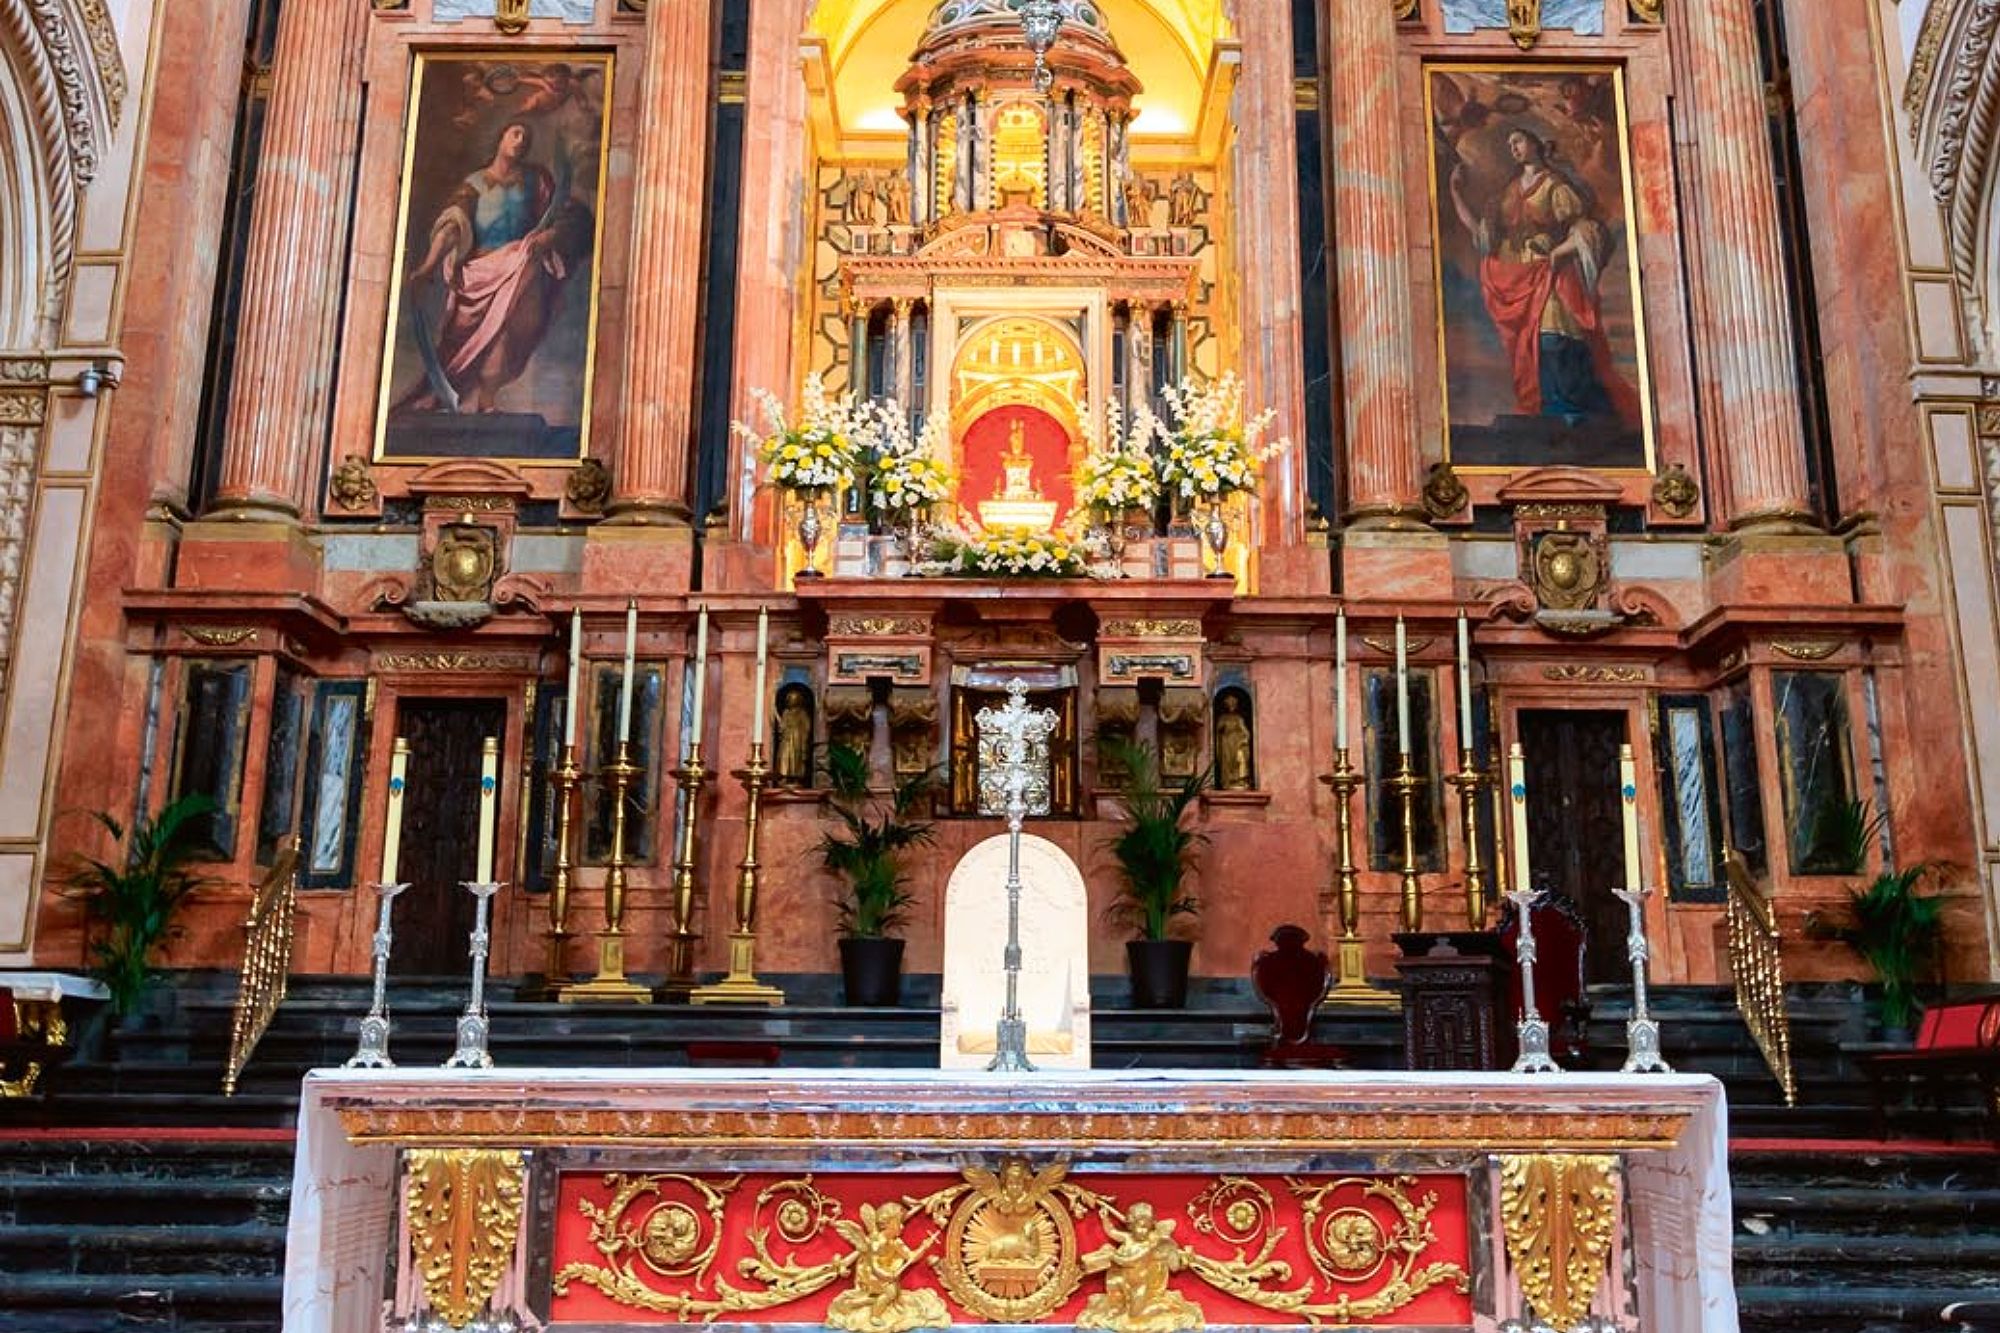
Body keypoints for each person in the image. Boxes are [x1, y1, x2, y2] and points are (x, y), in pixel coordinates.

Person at [1446, 126, 1640, 428]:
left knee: (1553, 333)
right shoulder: (1509, 192)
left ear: (1535, 144)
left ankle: (1565, 409)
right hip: (1516, 275)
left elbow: (1587, 229)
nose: (1513, 147)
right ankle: (1547, 410)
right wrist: (1455, 192)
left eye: (1519, 140)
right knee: (1527, 345)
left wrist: (1558, 253)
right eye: (1510, 143)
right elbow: (1481, 234)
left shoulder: (1554, 186)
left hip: (1549, 274)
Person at [395, 120, 591, 416]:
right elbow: (452, 226)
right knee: (456, 342)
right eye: (515, 133)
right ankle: (445, 397)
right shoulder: (473, 185)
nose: (521, 140)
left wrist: (551, 235)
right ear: (499, 138)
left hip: (520, 265)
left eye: (526, 136)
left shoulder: (536, 180)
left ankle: (486, 400)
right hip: (478, 273)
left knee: (506, 331)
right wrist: (427, 267)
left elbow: (562, 213)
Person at [1079, 1202, 1201, 1333]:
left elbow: (1130, 1261)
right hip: (1124, 1283)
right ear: (1130, 1226)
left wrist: (1114, 1257)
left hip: (1141, 1286)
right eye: (1140, 1226)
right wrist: (1105, 1218)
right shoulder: (1127, 1238)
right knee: (1117, 1307)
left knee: (1134, 1315)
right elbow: (1112, 1232)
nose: (1143, 1231)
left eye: (1147, 1228)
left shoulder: (1149, 1245)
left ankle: (1165, 1308)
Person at [1215, 694, 1252, 791]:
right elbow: (1218, 729)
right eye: (1229, 704)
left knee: (1238, 761)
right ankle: (1227, 781)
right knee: (1227, 762)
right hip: (1226, 743)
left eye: (1233, 704)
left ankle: (1239, 781)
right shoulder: (1223, 718)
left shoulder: (1239, 718)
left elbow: (1246, 733)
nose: (1231, 706)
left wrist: (1244, 741)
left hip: (1237, 743)